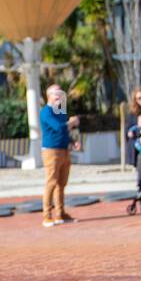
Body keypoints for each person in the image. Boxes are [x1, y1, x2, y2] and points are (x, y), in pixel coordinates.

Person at [40, 84, 80, 228]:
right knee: (51, 182)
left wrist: (72, 142)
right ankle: (46, 216)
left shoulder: (61, 111)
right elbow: (58, 128)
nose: (60, 96)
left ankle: (60, 213)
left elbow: (64, 132)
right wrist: (72, 122)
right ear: (49, 96)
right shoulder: (46, 112)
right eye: (57, 93)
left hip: (64, 150)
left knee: (61, 184)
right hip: (51, 151)